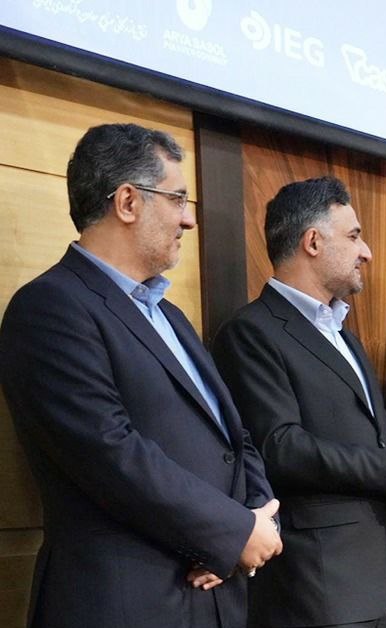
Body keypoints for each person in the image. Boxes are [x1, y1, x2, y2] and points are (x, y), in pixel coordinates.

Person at [0, 123, 282, 628]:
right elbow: (108, 451)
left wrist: (257, 519)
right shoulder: (49, 306)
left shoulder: (170, 315)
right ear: (128, 202)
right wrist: (230, 531)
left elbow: (234, 436)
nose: (189, 219)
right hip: (125, 602)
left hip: (214, 594)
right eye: (177, 199)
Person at [212, 176, 386, 628]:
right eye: (354, 236)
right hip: (319, 588)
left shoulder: (344, 334)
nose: (367, 252)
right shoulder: (250, 332)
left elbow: (383, 436)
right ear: (312, 242)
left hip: (382, 581)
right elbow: (280, 447)